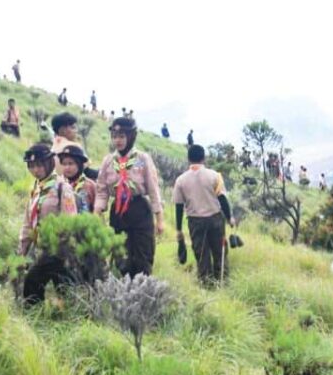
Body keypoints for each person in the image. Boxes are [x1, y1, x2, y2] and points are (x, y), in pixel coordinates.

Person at [95, 117, 164, 277]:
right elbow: (102, 190)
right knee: (121, 256)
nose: (117, 140)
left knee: (143, 254)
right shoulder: (108, 161)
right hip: (118, 213)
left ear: (131, 137)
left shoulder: (142, 159)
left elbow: (153, 189)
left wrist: (159, 219)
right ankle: (124, 292)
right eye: (114, 136)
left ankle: (143, 292)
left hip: (139, 209)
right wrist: (97, 212)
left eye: (121, 136)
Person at [19, 144, 77, 304]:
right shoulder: (36, 188)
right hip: (42, 246)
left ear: (49, 163)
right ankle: (67, 316)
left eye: (39, 165)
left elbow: (70, 218)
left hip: (58, 247)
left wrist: (64, 246)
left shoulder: (61, 187)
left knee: (33, 280)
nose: (35, 170)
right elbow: (28, 222)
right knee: (64, 286)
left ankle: (33, 313)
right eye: (31, 166)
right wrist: (22, 250)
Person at [172, 145, 235, 284]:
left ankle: (206, 284)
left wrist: (178, 229)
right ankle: (222, 282)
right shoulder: (214, 176)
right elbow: (222, 199)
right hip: (215, 219)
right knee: (220, 253)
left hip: (195, 222)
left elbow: (178, 206)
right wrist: (230, 217)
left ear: (188, 159)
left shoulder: (181, 180)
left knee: (201, 255)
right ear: (203, 158)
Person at [57, 144, 96, 214]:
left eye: (71, 163)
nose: (67, 167)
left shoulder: (90, 186)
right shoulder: (58, 186)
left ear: (79, 164)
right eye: (64, 164)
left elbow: (98, 212)